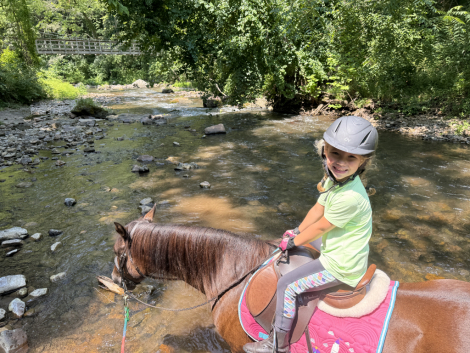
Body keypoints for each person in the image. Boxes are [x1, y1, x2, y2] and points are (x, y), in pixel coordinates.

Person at [243, 116, 378, 353]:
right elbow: (319, 208)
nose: (340, 163)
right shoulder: (335, 180)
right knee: (301, 245)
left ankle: (277, 345)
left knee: (287, 284)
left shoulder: (350, 197)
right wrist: (296, 231)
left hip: (341, 264)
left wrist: (292, 241)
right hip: (339, 243)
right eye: (335, 153)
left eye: (351, 158)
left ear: (363, 161)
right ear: (325, 151)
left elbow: (322, 227)